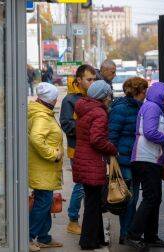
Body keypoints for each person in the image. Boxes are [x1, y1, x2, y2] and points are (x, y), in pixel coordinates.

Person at [126, 82, 164, 249]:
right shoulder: (153, 108)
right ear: (160, 95)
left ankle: (151, 236)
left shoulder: (152, 107)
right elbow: (149, 132)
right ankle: (133, 235)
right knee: (151, 198)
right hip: (146, 159)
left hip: (150, 159)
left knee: (155, 198)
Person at [73, 80, 117, 250]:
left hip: (84, 159)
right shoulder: (99, 112)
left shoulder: (84, 108)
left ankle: (96, 238)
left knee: (94, 202)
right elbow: (97, 139)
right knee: (93, 204)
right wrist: (112, 148)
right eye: (108, 94)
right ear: (103, 96)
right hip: (92, 162)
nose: (110, 97)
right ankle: (88, 241)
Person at [108, 77, 148, 244]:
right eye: (144, 90)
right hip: (125, 160)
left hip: (136, 159)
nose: (146, 93)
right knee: (128, 199)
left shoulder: (139, 107)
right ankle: (126, 233)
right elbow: (112, 136)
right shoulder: (122, 109)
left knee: (134, 197)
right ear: (138, 91)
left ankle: (129, 232)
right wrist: (113, 160)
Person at [59, 64, 96, 235]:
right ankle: (73, 220)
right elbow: (67, 124)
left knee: (89, 185)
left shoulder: (93, 95)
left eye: (94, 79)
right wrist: (88, 128)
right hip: (77, 149)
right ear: (79, 80)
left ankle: (87, 220)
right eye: (89, 79)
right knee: (81, 185)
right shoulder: (69, 100)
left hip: (92, 147)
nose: (92, 83)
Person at [28, 82, 64, 252]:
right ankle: (28, 237)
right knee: (42, 203)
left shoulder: (42, 111)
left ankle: (44, 237)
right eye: (55, 97)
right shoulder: (42, 116)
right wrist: (53, 153)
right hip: (43, 167)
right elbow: (36, 138)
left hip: (44, 168)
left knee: (45, 201)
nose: (57, 100)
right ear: (50, 99)